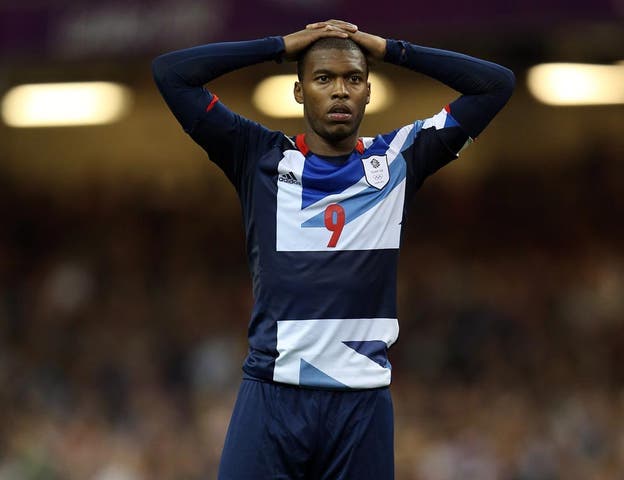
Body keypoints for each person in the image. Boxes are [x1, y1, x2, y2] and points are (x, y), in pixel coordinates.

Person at [152, 19, 514, 480]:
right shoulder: (257, 156)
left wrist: (391, 50)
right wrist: (279, 46)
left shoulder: (399, 159)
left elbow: (494, 86)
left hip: (361, 405)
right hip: (272, 396)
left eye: (354, 79)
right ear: (299, 91)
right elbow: (171, 73)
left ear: (369, 91)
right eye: (323, 78)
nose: (340, 91)